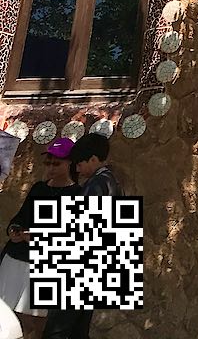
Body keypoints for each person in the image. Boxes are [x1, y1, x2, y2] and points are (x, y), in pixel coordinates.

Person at [42, 134, 120, 339]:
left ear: (93, 159)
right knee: (79, 328)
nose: (77, 169)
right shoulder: (110, 183)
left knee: (57, 328)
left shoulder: (96, 185)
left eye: (80, 163)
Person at [0, 137, 78, 337]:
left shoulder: (77, 194)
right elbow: (21, 217)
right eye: (48, 163)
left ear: (70, 163)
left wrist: (39, 237)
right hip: (17, 262)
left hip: (46, 266)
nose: (51, 168)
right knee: (10, 320)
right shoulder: (39, 188)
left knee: (40, 323)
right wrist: (15, 231)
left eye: (57, 163)